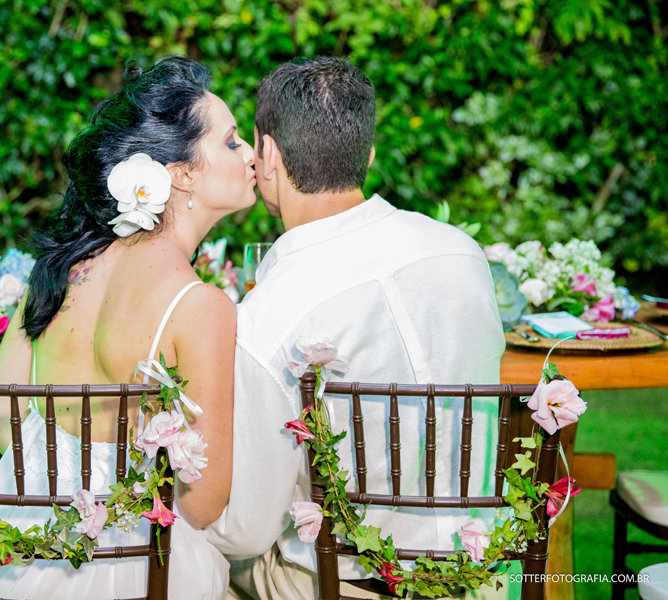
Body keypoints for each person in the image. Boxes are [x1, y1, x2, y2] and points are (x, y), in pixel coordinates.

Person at [0, 56, 256, 600]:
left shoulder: (55, 274)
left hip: (12, 561)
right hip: (137, 570)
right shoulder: (199, 306)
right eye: (231, 142)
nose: (252, 153)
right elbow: (202, 504)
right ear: (180, 175)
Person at [206, 57, 509, 599]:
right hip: (477, 579)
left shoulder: (271, 316)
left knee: (196, 564)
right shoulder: (462, 253)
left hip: (335, 584)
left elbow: (247, 529)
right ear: (366, 155)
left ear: (267, 155)